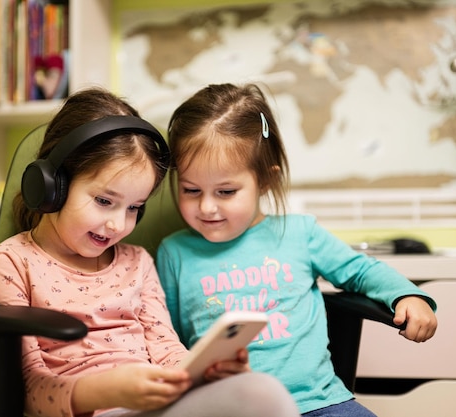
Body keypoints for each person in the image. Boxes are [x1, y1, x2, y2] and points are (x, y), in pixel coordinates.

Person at [0, 86, 300, 417]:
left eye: (134, 208)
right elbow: (24, 389)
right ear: (52, 186)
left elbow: (165, 349)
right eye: (104, 201)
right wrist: (112, 390)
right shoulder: (10, 264)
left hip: (150, 408)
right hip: (88, 409)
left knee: (258, 391)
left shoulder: (137, 262)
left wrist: (204, 370)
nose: (118, 224)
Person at [156, 83, 438, 417]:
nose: (207, 207)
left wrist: (407, 296)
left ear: (265, 181)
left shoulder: (300, 234)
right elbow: (165, 340)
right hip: (229, 408)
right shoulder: (173, 253)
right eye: (191, 190)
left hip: (320, 403)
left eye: (226, 191)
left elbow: (361, 271)